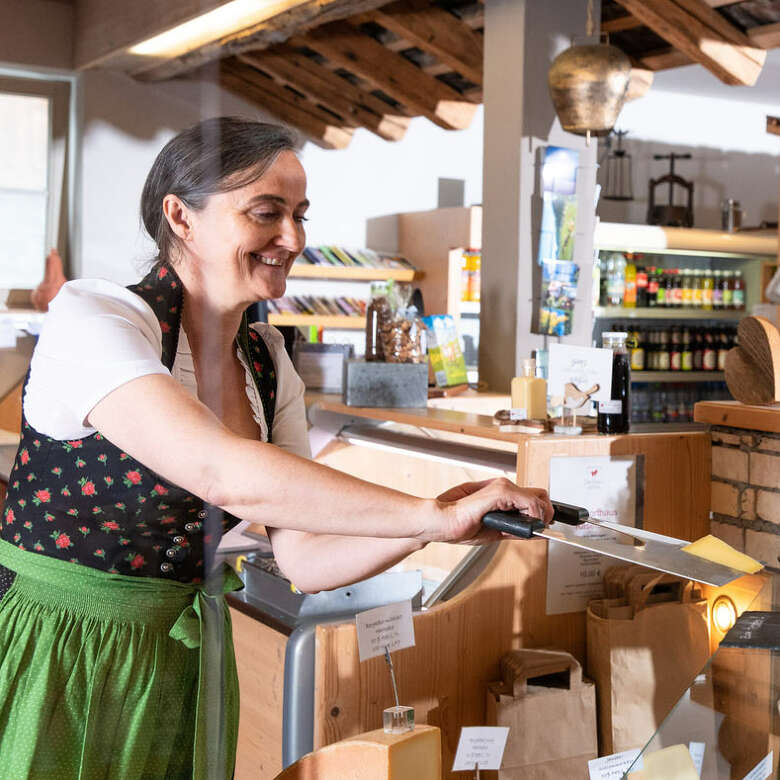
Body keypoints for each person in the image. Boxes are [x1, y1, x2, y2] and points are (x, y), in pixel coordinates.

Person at [0, 116, 552, 779]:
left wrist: (437, 525)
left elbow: (304, 555)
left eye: (299, 215)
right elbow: (221, 472)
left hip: (178, 661)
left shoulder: (266, 359)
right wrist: (424, 513)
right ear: (181, 217)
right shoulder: (97, 320)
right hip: (53, 645)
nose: (291, 239)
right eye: (266, 213)